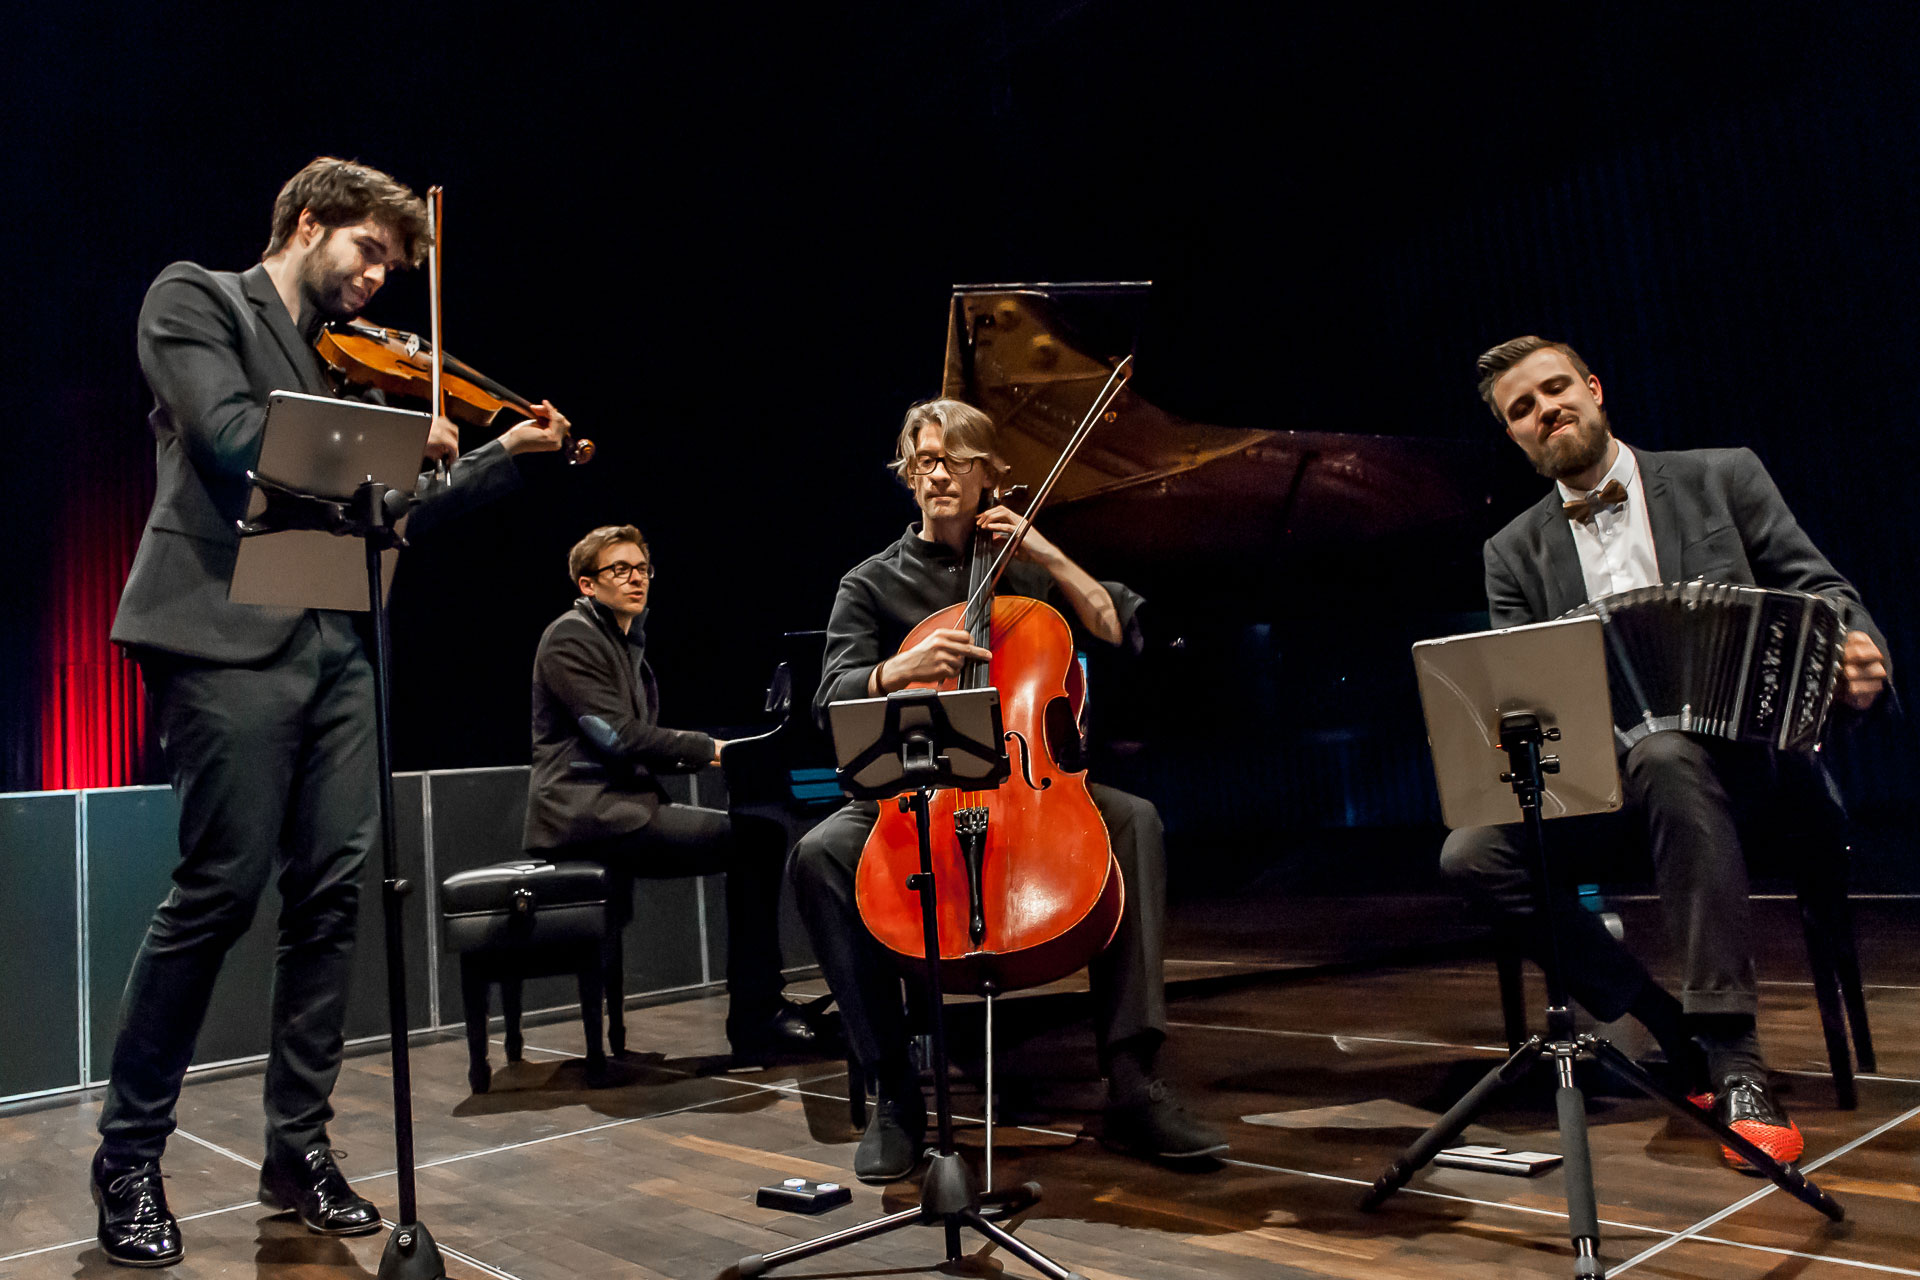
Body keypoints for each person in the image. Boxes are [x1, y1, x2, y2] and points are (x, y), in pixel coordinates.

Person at [94, 157, 571, 1267]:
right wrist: (404, 439)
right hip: (220, 630)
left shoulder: (350, 377)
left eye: (394, 268)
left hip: (337, 636)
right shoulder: (194, 297)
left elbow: (389, 514)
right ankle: (128, 1154)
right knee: (219, 888)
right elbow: (230, 435)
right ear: (309, 221)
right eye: (368, 252)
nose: (377, 282)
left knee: (331, 900)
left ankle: (295, 1148)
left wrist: (500, 453)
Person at [1441, 335, 1891, 1169]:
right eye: (1522, 410)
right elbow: (1532, 700)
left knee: (1669, 753)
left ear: (1595, 388)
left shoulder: (1722, 476)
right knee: (1472, 855)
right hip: (1612, 787)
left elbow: (1824, 591)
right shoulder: (1511, 552)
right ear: (1513, 435)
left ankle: (1735, 1061)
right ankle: (1666, 1025)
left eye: (1555, 390)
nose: (1546, 412)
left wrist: (1855, 646)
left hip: (1752, 772)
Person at [788, 398, 1228, 1183]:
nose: (937, 473)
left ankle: (1133, 1080)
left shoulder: (1027, 566)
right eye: (921, 461)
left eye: (955, 458)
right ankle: (894, 1093)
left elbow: (1113, 624)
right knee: (820, 854)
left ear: (994, 473)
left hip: (1032, 781)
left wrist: (1049, 555)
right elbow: (831, 698)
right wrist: (896, 671)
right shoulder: (871, 583)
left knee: (1135, 822)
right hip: (913, 791)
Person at [523, 524, 818, 1060]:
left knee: (758, 836)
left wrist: (717, 750)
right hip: (588, 813)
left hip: (618, 806)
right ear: (588, 584)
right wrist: (715, 748)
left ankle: (760, 1007)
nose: (635, 579)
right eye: (620, 570)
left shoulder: (620, 639)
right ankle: (755, 1015)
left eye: (642, 569)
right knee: (758, 841)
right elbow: (616, 735)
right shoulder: (571, 637)